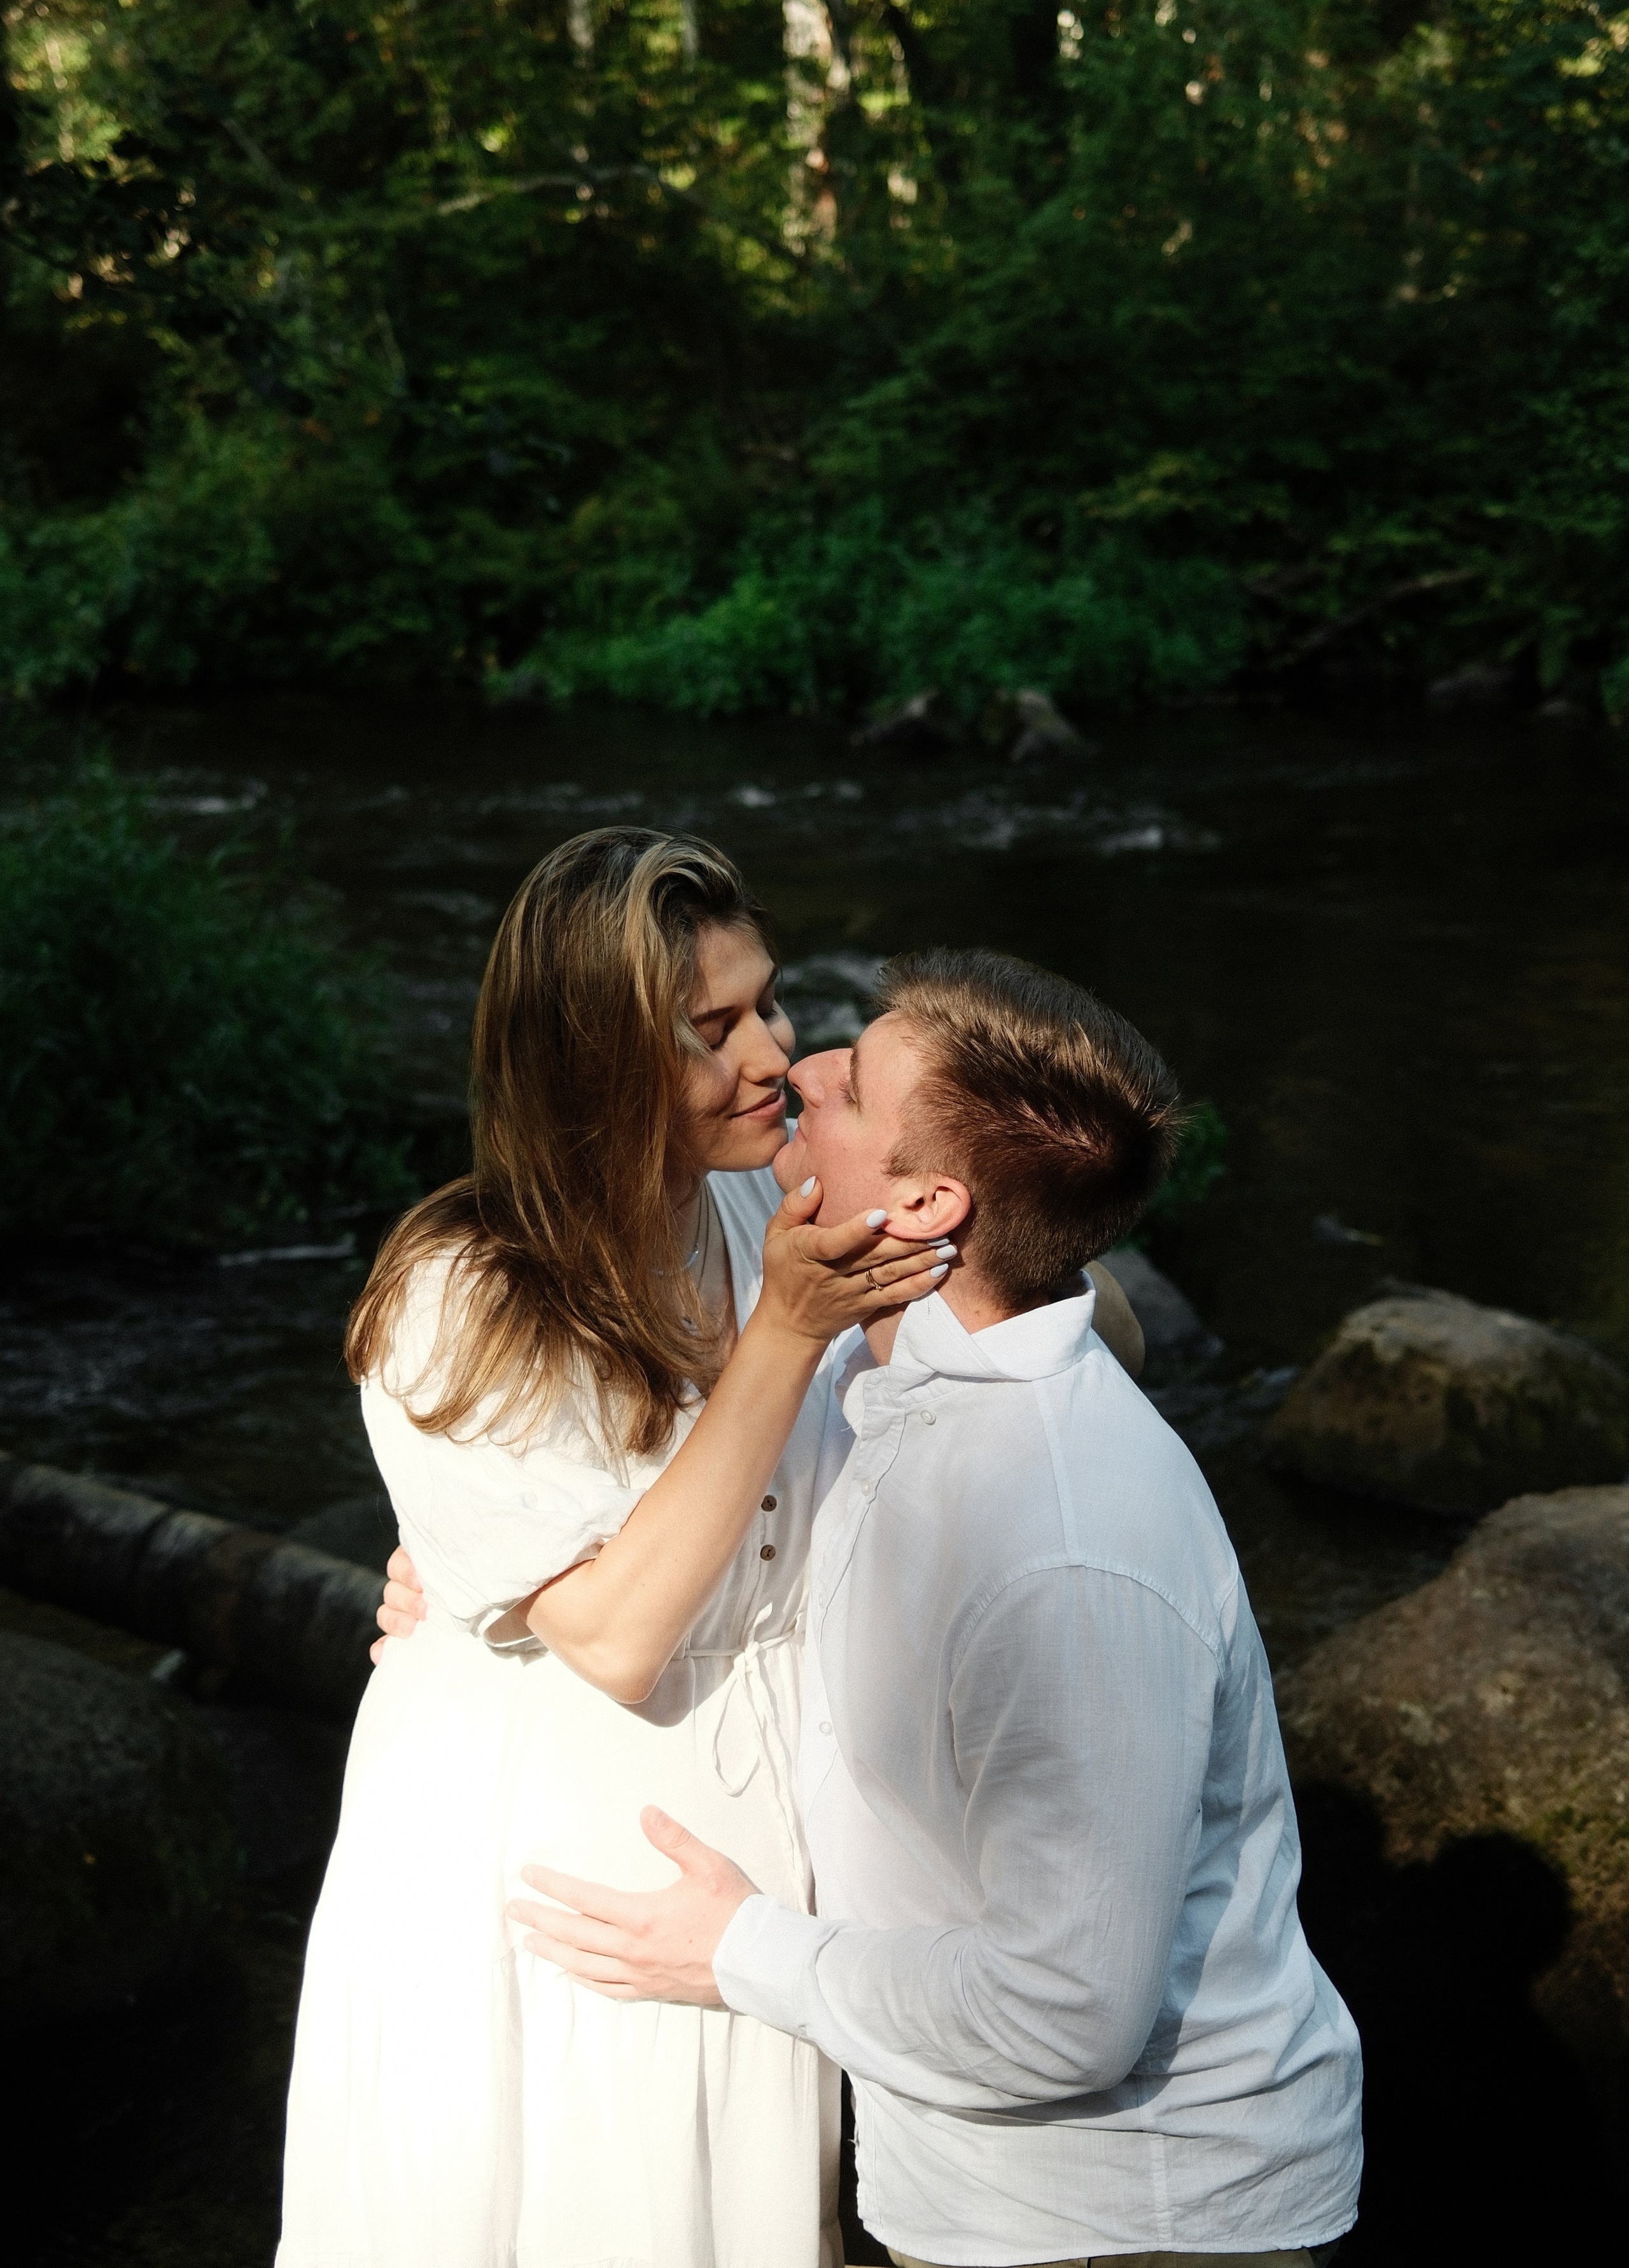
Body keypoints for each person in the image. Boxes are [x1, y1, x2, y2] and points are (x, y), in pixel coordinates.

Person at [508, 948, 1365, 2268]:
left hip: (1125, 2223)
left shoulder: (1061, 1553)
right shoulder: (890, 1352)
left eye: (849, 1088)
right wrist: (486, 1564)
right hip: (989, 2199)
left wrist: (739, 1954)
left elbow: (1065, 2014)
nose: (801, 1069)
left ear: (922, 1203)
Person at [276, 828, 955, 2268]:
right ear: (590, 1062)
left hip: (757, 1848)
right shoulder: (462, 1291)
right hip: (546, 1870)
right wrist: (787, 1334)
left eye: (766, 1002)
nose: (772, 1051)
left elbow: (1072, 1318)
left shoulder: (765, 1198)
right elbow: (613, 1633)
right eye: (710, 1031)